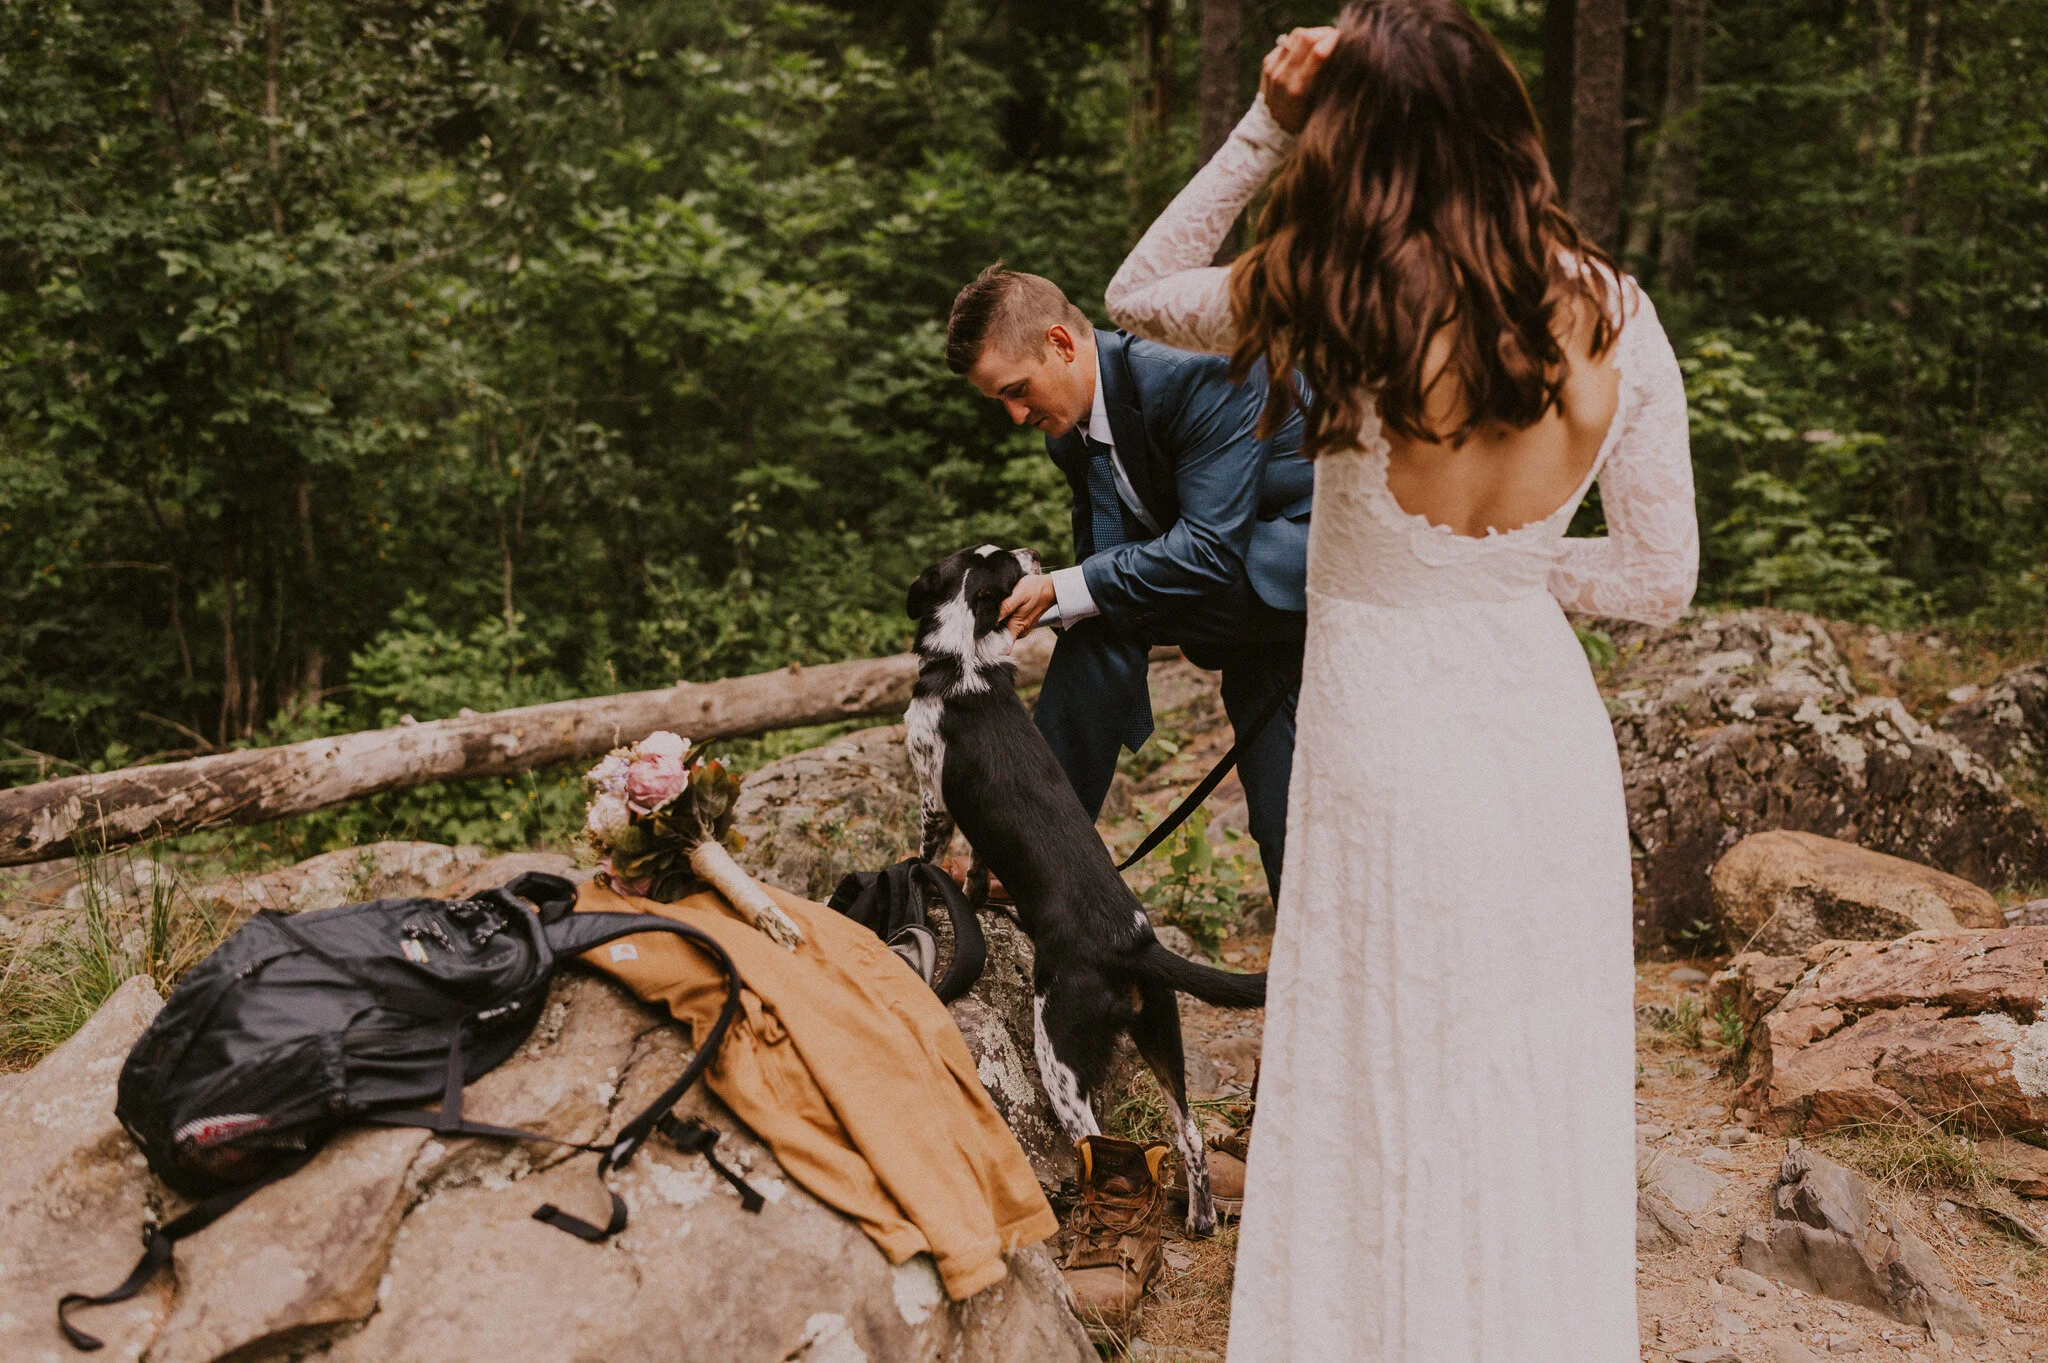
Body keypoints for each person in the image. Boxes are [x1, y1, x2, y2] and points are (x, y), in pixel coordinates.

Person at [1102, 5, 1698, 1360]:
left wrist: (1265, 117)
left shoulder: (1334, 291)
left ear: (1355, 135)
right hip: (1535, 722)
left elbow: (1138, 292)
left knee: (1382, 1044)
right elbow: (1663, 577)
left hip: (1388, 731)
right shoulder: (1618, 310)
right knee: (1522, 1053)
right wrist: (1512, 571)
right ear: (1505, 118)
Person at [943, 265, 1312, 902]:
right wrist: (1057, 600)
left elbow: (1206, 549)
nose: (1015, 414)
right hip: (1255, 632)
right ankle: (1313, 994)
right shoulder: (1071, 437)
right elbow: (1101, 573)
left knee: (1104, 614)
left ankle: (1031, 847)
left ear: (1061, 343)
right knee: (1284, 823)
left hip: (1306, 579)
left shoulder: (1195, 368)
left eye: (1017, 389)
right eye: (999, 400)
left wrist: (1064, 590)